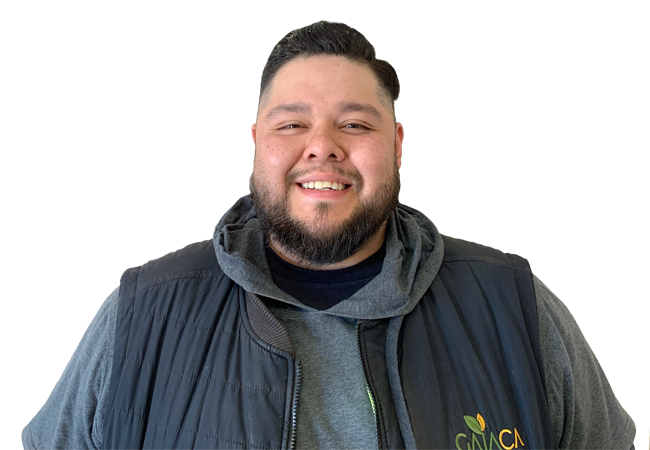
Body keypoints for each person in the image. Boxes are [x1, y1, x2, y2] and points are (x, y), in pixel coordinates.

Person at [22, 22, 636, 450]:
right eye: (292, 124)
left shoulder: (515, 306)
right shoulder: (144, 312)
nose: (322, 146)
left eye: (355, 124)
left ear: (396, 146)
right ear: (257, 144)